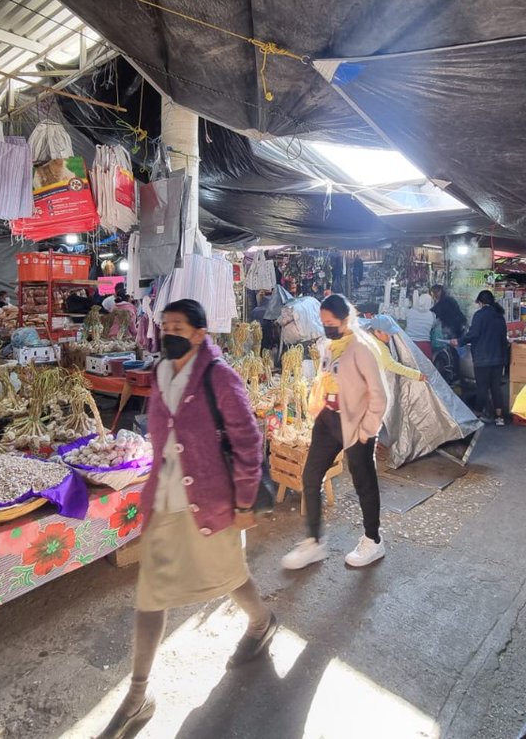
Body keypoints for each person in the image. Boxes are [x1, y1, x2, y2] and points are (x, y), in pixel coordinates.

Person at [98, 299, 276, 739]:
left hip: (210, 501)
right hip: (164, 503)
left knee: (230, 576)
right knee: (150, 595)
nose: (167, 332)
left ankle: (261, 622)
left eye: (177, 325)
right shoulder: (161, 374)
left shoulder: (219, 377)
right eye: (164, 325)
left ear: (200, 333)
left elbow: (249, 440)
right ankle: (138, 696)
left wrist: (245, 501)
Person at [282, 294, 388, 571]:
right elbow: (325, 378)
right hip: (329, 419)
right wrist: (316, 408)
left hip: (357, 423)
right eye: (323, 322)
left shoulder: (362, 348)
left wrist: (368, 430)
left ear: (345, 319)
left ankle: (373, 539)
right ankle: (314, 542)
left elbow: (380, 395)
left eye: (330, 322)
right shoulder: (330, 345)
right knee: (310, 476)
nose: (326, 326)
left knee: (364, 482)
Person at [453, 290, 510, 426]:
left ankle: (477, 414)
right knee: (496, 387)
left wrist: (459, 341)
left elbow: (473, 334)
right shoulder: (499, 316)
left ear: (480, 302)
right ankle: (499, 417)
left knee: (482, 387)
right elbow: (503, 338)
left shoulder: (479, 315)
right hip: (498, 358)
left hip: (482, 357)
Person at [366, 315, 426, 382]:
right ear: (377, 332)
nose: (389, 337)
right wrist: (416, 375)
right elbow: (392, 365)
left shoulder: (366, 337)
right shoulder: (379, 347)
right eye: (386, 334)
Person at [405, 292, 437, 359]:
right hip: (424, 346)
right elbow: (433, 326)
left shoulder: (410, 311)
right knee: (425, 367)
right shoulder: (432, 315)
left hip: (408, 343)